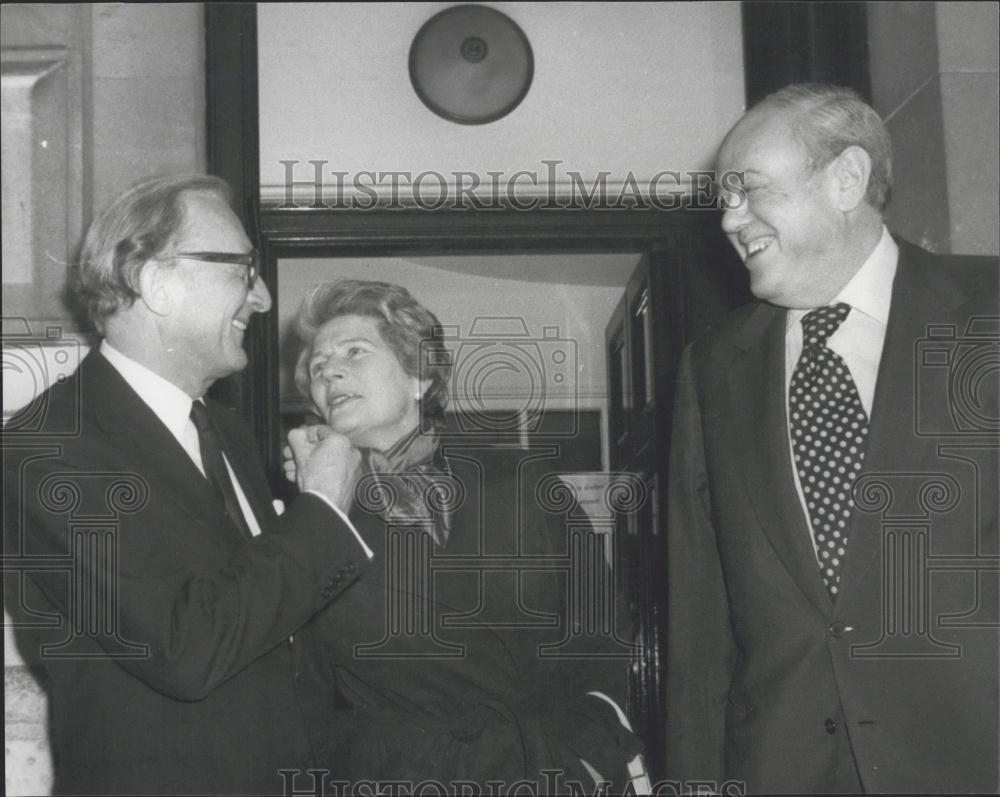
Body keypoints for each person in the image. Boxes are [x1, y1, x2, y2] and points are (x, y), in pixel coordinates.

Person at [664, 83, 999, 794]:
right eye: (724, 196)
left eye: (749, 189)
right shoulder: (712, 365)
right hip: (780, 769)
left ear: (847, 178)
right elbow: (699, 613)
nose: (730, 219)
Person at [2, 175, 372, 796]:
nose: (262, 297)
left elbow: (276, 634)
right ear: (156, 283)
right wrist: (323, 510)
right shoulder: (48, 448)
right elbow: (185, 648)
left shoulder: (227, 433)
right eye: (242, 269)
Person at [285, 279, 645, 794]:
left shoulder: (526, 484)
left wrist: (588, 754)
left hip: (541, 771)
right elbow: (302, 693)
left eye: (354, 352)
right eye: (319, 367)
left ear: (418, 376)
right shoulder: (313, 519)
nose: (330, 371)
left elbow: (601, 636)